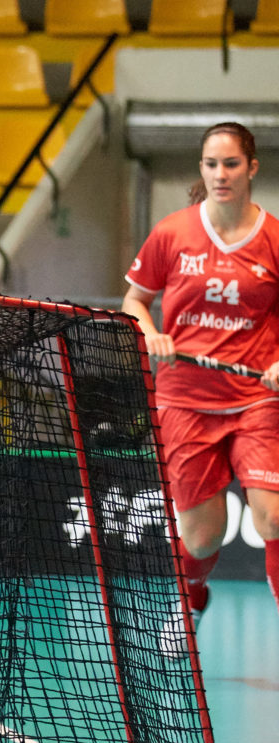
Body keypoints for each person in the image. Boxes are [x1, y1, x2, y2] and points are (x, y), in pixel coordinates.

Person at [122, 121, 279, 628]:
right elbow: (135, 301)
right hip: (185, 399)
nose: (220, 174)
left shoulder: (274, 237)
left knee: (273, 516)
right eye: (211, 164)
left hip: (257, 396)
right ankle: (192, 593)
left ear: (251, 168)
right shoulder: (173, 232)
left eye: (231, 163)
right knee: (201, 537)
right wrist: (149, 332)